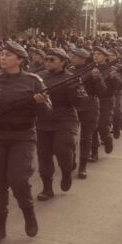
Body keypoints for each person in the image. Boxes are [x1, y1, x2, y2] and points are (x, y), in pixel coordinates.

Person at [0, 41, 52, 244]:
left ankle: (28, 212)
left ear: (20, 60)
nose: (2, 57)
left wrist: (41, 104)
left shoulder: (34, 81)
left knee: (18, 179)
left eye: (8, 55)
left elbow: (47, 112)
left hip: (22, 137)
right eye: (1, 54)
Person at [35, 48, 83, 201]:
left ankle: (66, 172)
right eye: (46, 59)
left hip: (65, 118)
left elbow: (81, 102)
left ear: (63, 62)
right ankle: (47, 188)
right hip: (44, 119)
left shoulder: (72, 78)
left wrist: (72, 89)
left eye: (52, 60)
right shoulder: (39, 77)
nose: (47, 62)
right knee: (44, 156)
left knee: (62, 150)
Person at [69, 48, 106, 179]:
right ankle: (71, 160)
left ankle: (82, 166)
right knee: (70, 136)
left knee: (86, 136)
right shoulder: (70, 70)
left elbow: (102, 91)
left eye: (75, 56)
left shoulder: (93, 71)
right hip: (74, 105)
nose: (71, 58)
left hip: (90, 105)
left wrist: (97, 79)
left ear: (83, 59)